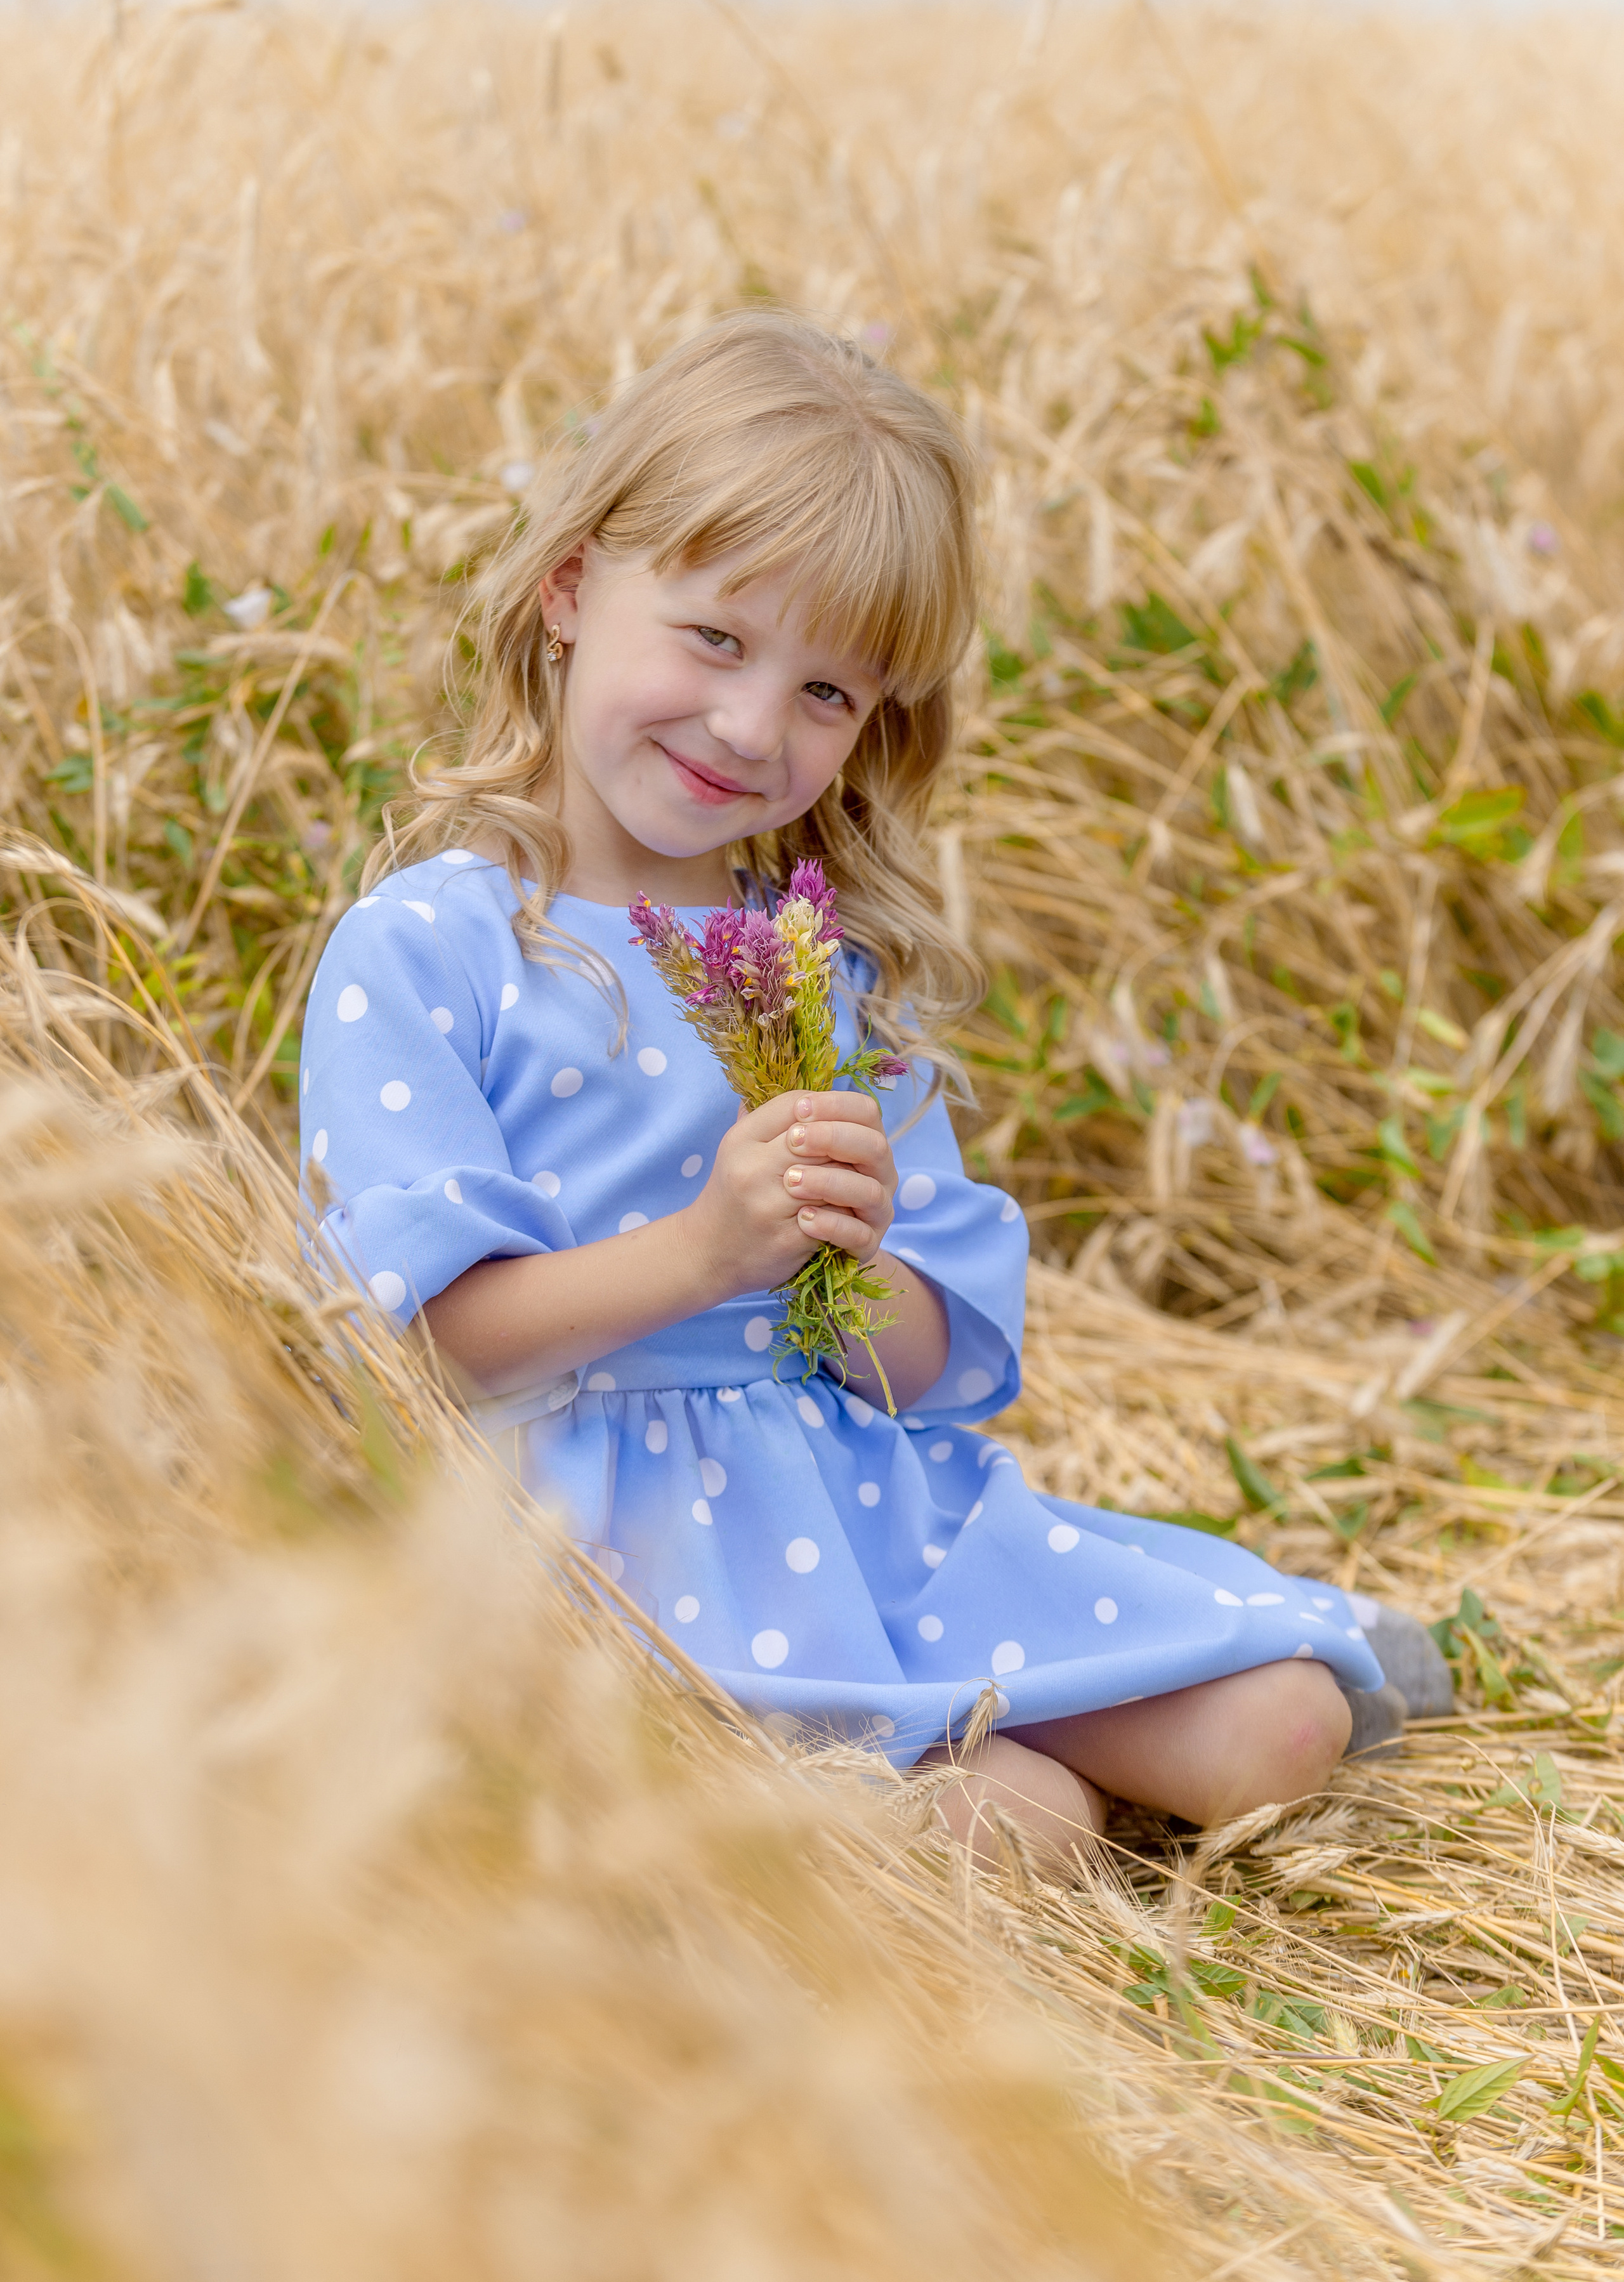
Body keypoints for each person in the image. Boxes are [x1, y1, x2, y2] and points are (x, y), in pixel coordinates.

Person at [299, 310, 1424, 1880]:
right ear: (568, 588)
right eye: (712, 638)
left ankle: (937, 1741)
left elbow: (921, 1368)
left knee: (1279, 1727)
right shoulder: (432, 946)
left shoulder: (814, 970)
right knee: (1015, 1825)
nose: (752, 728)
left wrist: (850, 1252)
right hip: (599, 1539)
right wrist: (702, 1255)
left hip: (846, 1505)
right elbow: (416, 1341)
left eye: (829, 693)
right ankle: (852, 1805)